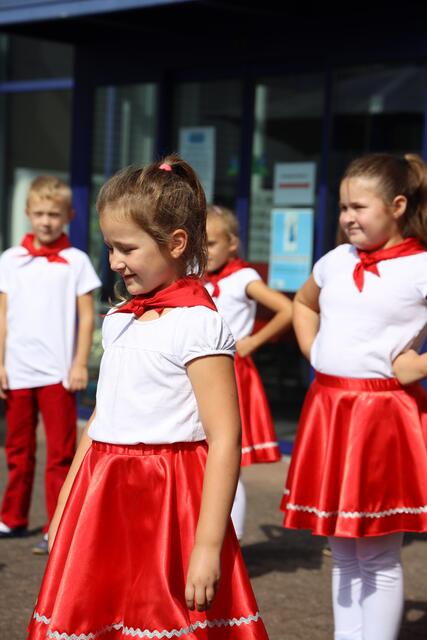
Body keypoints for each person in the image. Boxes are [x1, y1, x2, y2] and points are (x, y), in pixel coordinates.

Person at [27, 156, 269, 640]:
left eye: (127, 248)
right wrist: (67, 502)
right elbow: (101, 419)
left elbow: (225, 438)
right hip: (104, 491)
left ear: (176, 243)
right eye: (109, 247)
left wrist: (207, 545)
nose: (115, 261)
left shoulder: (199, 324)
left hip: (169, 497)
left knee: (163, 621)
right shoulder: (120, 318)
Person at [281, 153, 427, 640]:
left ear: (398, 206)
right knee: (341, 547)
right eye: (344, 207)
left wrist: (418, 366)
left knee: (378, 553)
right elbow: (304, 303)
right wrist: (314, 350)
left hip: (382, 415)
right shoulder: (336, 260)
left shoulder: (421, 266)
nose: (348, 217)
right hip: (329, 407)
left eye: (359, 207)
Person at [0, 175, 101, 555]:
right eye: (40, 214)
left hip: (58, 372)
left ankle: (56, 526)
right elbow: (3, 315)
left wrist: (79, 364)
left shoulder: (76, 261)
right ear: (28, 213)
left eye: (54, 215)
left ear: (69, 216)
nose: (46, 221)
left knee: (60, 453)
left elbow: (87, 317)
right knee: (17, 449)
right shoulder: (10, 260)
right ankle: (12, 517)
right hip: (17, 370)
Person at [205, 205, 292, 539]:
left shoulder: (243, 277)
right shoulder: (196, 275)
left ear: (232, 243)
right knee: (203, 457)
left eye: (211, 243)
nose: (205, 251)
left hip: (231, 372)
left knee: (228, 461)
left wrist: (253, 341)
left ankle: (234, 541)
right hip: (200, 372)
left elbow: (286, 309)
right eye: (200, 244)